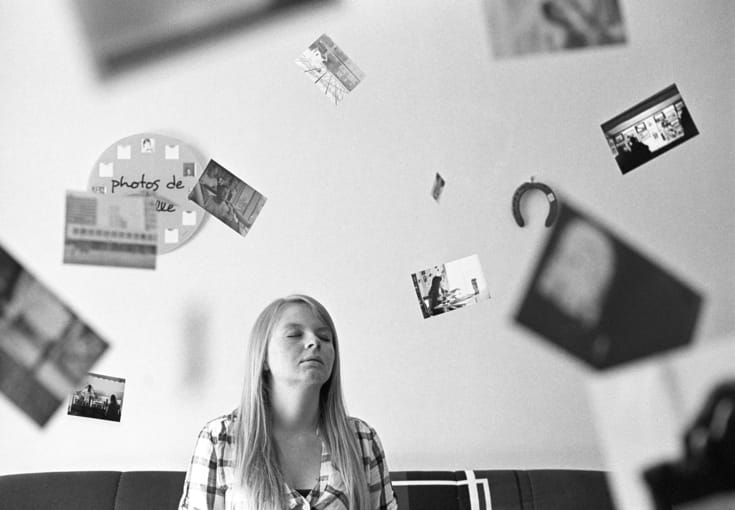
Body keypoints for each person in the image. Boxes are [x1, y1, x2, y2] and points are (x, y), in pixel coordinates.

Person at [178, 295, 398, 510]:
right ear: (263, 358)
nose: (313, 342)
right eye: (294, 335)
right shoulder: (220, 439)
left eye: (325, 337)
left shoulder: (362, 440)